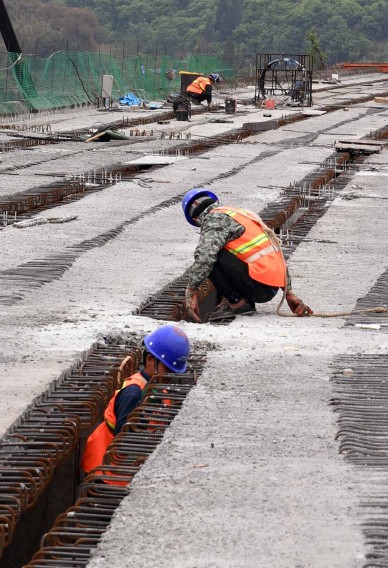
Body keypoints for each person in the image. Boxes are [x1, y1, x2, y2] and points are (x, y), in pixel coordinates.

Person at [181, 188, 312, 322]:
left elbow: (205, 257)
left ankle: (237, 301)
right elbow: (275, 250)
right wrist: (289, 292)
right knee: (219, 249)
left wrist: (191, 291)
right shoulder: (242, 214)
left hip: (257, 286)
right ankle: (243, 300)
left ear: (195, 219)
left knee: (209, 253)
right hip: (271, 285)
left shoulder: (214, 220)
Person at [80, 325, 191, 475]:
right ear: (151, 360)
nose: (170, 377)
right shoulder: (133, 394)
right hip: (108, 472)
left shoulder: (158, 388)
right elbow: (123, 444)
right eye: (168, 370)